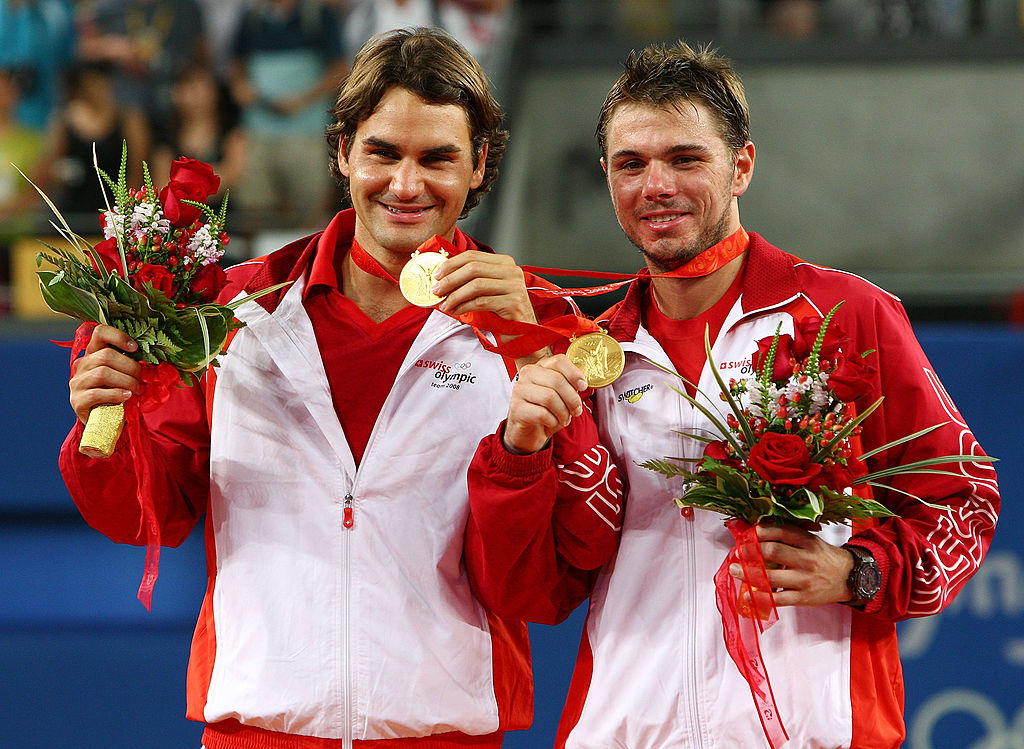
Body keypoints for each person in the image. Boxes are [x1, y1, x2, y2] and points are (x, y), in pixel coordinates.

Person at [58, 27, 620, 748]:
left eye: (438, 158)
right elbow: (148, 517)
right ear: (344, 151)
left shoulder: (543, 328)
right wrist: (105, 423)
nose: (406, 185)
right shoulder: (231, 315)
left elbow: (549, 582)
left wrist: (527, 354)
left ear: (480, 163)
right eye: (383, 153)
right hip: (257, 732)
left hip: (444, 736)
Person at [466, 40, 1000, 747]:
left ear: (741, 165)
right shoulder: (590, 354)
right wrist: (519, 453)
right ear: (607, 176)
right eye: (631, 164)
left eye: (685, 159)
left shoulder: (845, 315)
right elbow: (544, 585)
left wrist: (861, 571)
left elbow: (964, 495)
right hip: (625, 730)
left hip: (809, 732)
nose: (656, 185)